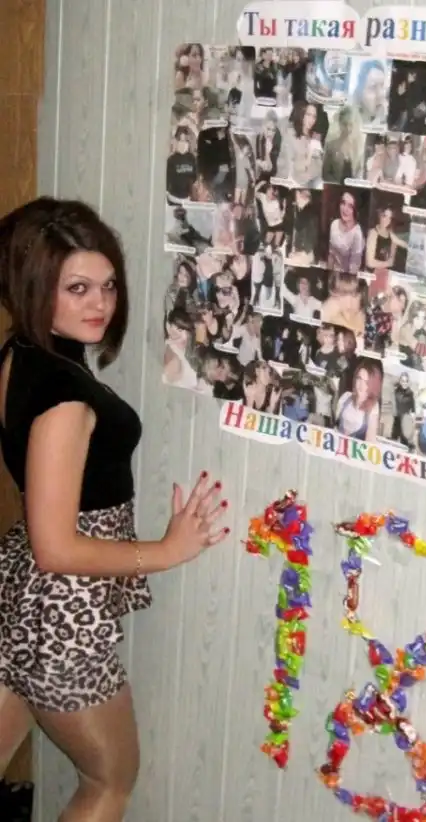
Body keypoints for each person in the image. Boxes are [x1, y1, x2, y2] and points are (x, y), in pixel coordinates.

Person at [0, 197, 229, 821]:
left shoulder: (23, 355)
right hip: (63, 609)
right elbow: (58, 547)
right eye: (76, 288)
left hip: (22, 594)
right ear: (35, 287)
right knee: (110, 780)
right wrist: (167, 550)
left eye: (107, 285)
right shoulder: (65, 397)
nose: (99, 303)